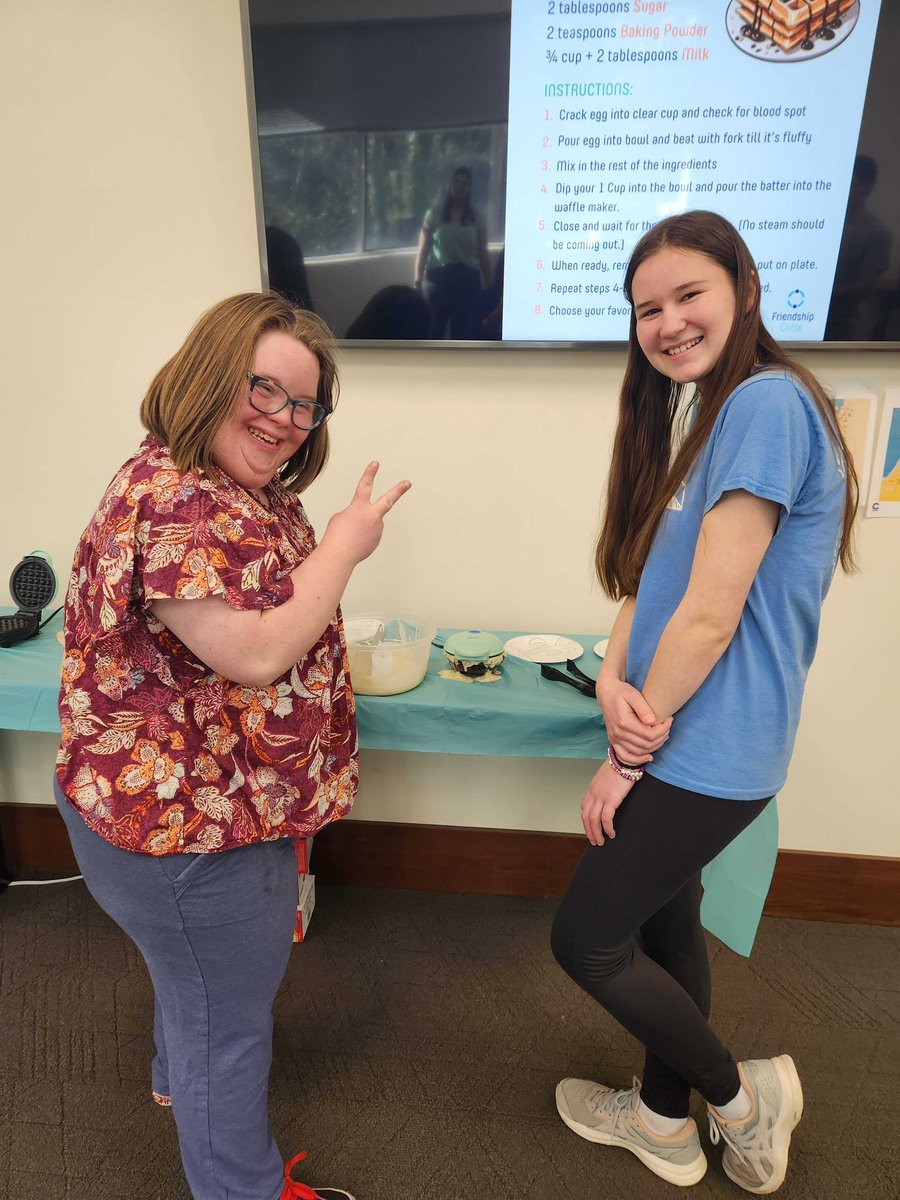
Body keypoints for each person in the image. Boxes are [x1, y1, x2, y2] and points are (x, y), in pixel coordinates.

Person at [55, 292, 411, 1200]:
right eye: (266, 389)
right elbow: (255, 653)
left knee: (199, 996)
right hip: (188, 839)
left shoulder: (219, 486)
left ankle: (179, 1081)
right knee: (230, 1022)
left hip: (188, 811)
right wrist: (346, 544)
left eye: (305, 404)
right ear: (212, 373)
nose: (285, 420)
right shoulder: (176, 499)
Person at [550, 211, 858, 1193]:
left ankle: (738, 1097)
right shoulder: (704, 414)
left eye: (690, 295)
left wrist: (625, 756)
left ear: (745, 288)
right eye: (648, 307)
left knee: (587, 939)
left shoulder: (766, 404)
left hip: (712, 746)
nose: (669, 322)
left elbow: (711, 618)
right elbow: (656, 585)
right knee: (666, 923)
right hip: (688, 732)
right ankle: (661, 1121)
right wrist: (608, 674)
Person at [413, 165, 491, 339]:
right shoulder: (433, 213)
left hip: (467, 281)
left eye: (465, 184)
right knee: (433, 333)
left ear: (469, 188)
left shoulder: (478, 216)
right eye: (457, 182)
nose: (460, 186)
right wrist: (417, 282)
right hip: (438, 280)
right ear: (450, 185)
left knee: (463, 335)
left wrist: (490, 284)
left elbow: (483, 252)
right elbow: (423, 249)